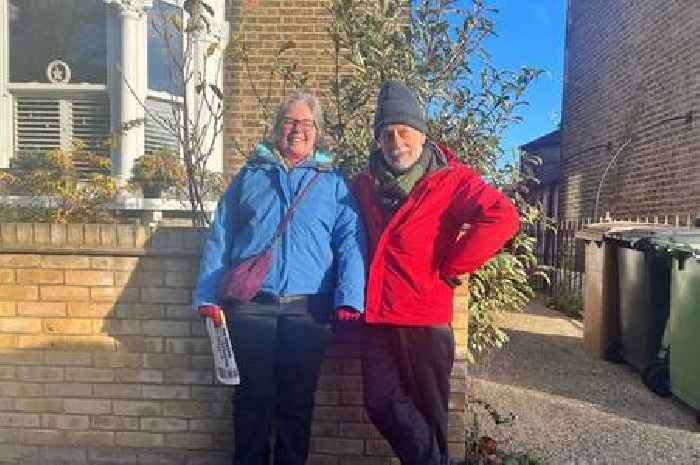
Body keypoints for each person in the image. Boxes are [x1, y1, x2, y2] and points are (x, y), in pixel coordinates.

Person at [352, 80, 520, 465]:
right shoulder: (363, 184)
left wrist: (452, 264)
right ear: (378, 140)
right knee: (379, 402)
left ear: (422, 135)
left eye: (404, 132)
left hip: (424, 320)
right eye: (387, 134)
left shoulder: (451, 180)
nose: (397, 142)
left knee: (431, 416)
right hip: (377, 316)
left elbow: (503, 217)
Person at [194, 92, 366, 465]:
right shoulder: (250, 177)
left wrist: (349, 299)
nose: (297, 130)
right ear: (276, 128)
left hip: (309, 311)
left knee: (297, 401)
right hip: (251, 307)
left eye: (306, 124)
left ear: (317, 132)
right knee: (251, 398)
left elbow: (351, 242)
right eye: (289, 122)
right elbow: (221, 235)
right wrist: (207, 294)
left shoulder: (333, 183)